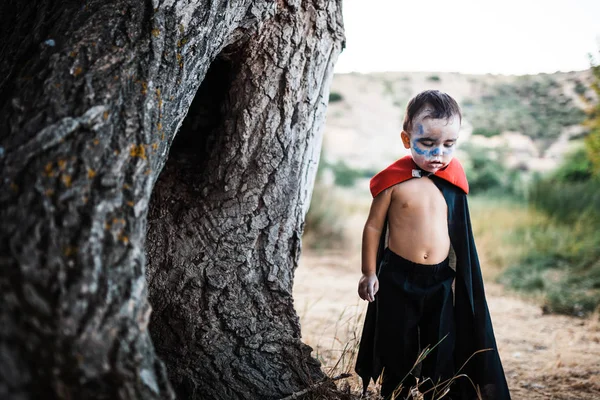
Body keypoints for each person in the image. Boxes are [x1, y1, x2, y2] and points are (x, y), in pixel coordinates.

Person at [354, 90, 511, 400]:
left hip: (439, 280)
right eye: (427, 143)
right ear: (406, 138)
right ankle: (396, 392)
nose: (438, 153)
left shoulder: (453, 181)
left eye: (449, 145)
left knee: (439, 345)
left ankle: (435, 392)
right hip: (397, 276)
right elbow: (373, 226)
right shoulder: (393, 181)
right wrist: (368, 272)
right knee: (397, 342)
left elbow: (459, 235)